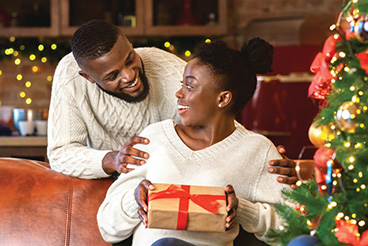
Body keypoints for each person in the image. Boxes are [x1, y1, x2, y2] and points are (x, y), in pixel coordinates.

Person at [47, 19, 309, 185]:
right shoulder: (71, 77)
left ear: (129, 43)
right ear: (88, 77)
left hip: (166, 185)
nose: (129, 76)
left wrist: (260, 158)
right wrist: (113, 160)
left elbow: (217, 124)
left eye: (129, 59)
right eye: (113, 75)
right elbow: (60, 153)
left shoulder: (173, 72)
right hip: (107, 184)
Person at [97, 38, 290, 245]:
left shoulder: (257, 151)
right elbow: (107, 228)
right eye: (182, 85)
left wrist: (241, 210)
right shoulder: (154, 138)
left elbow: (290, 226)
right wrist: (134, 200)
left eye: (189, 86)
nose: (179, 94)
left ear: (223, 99)